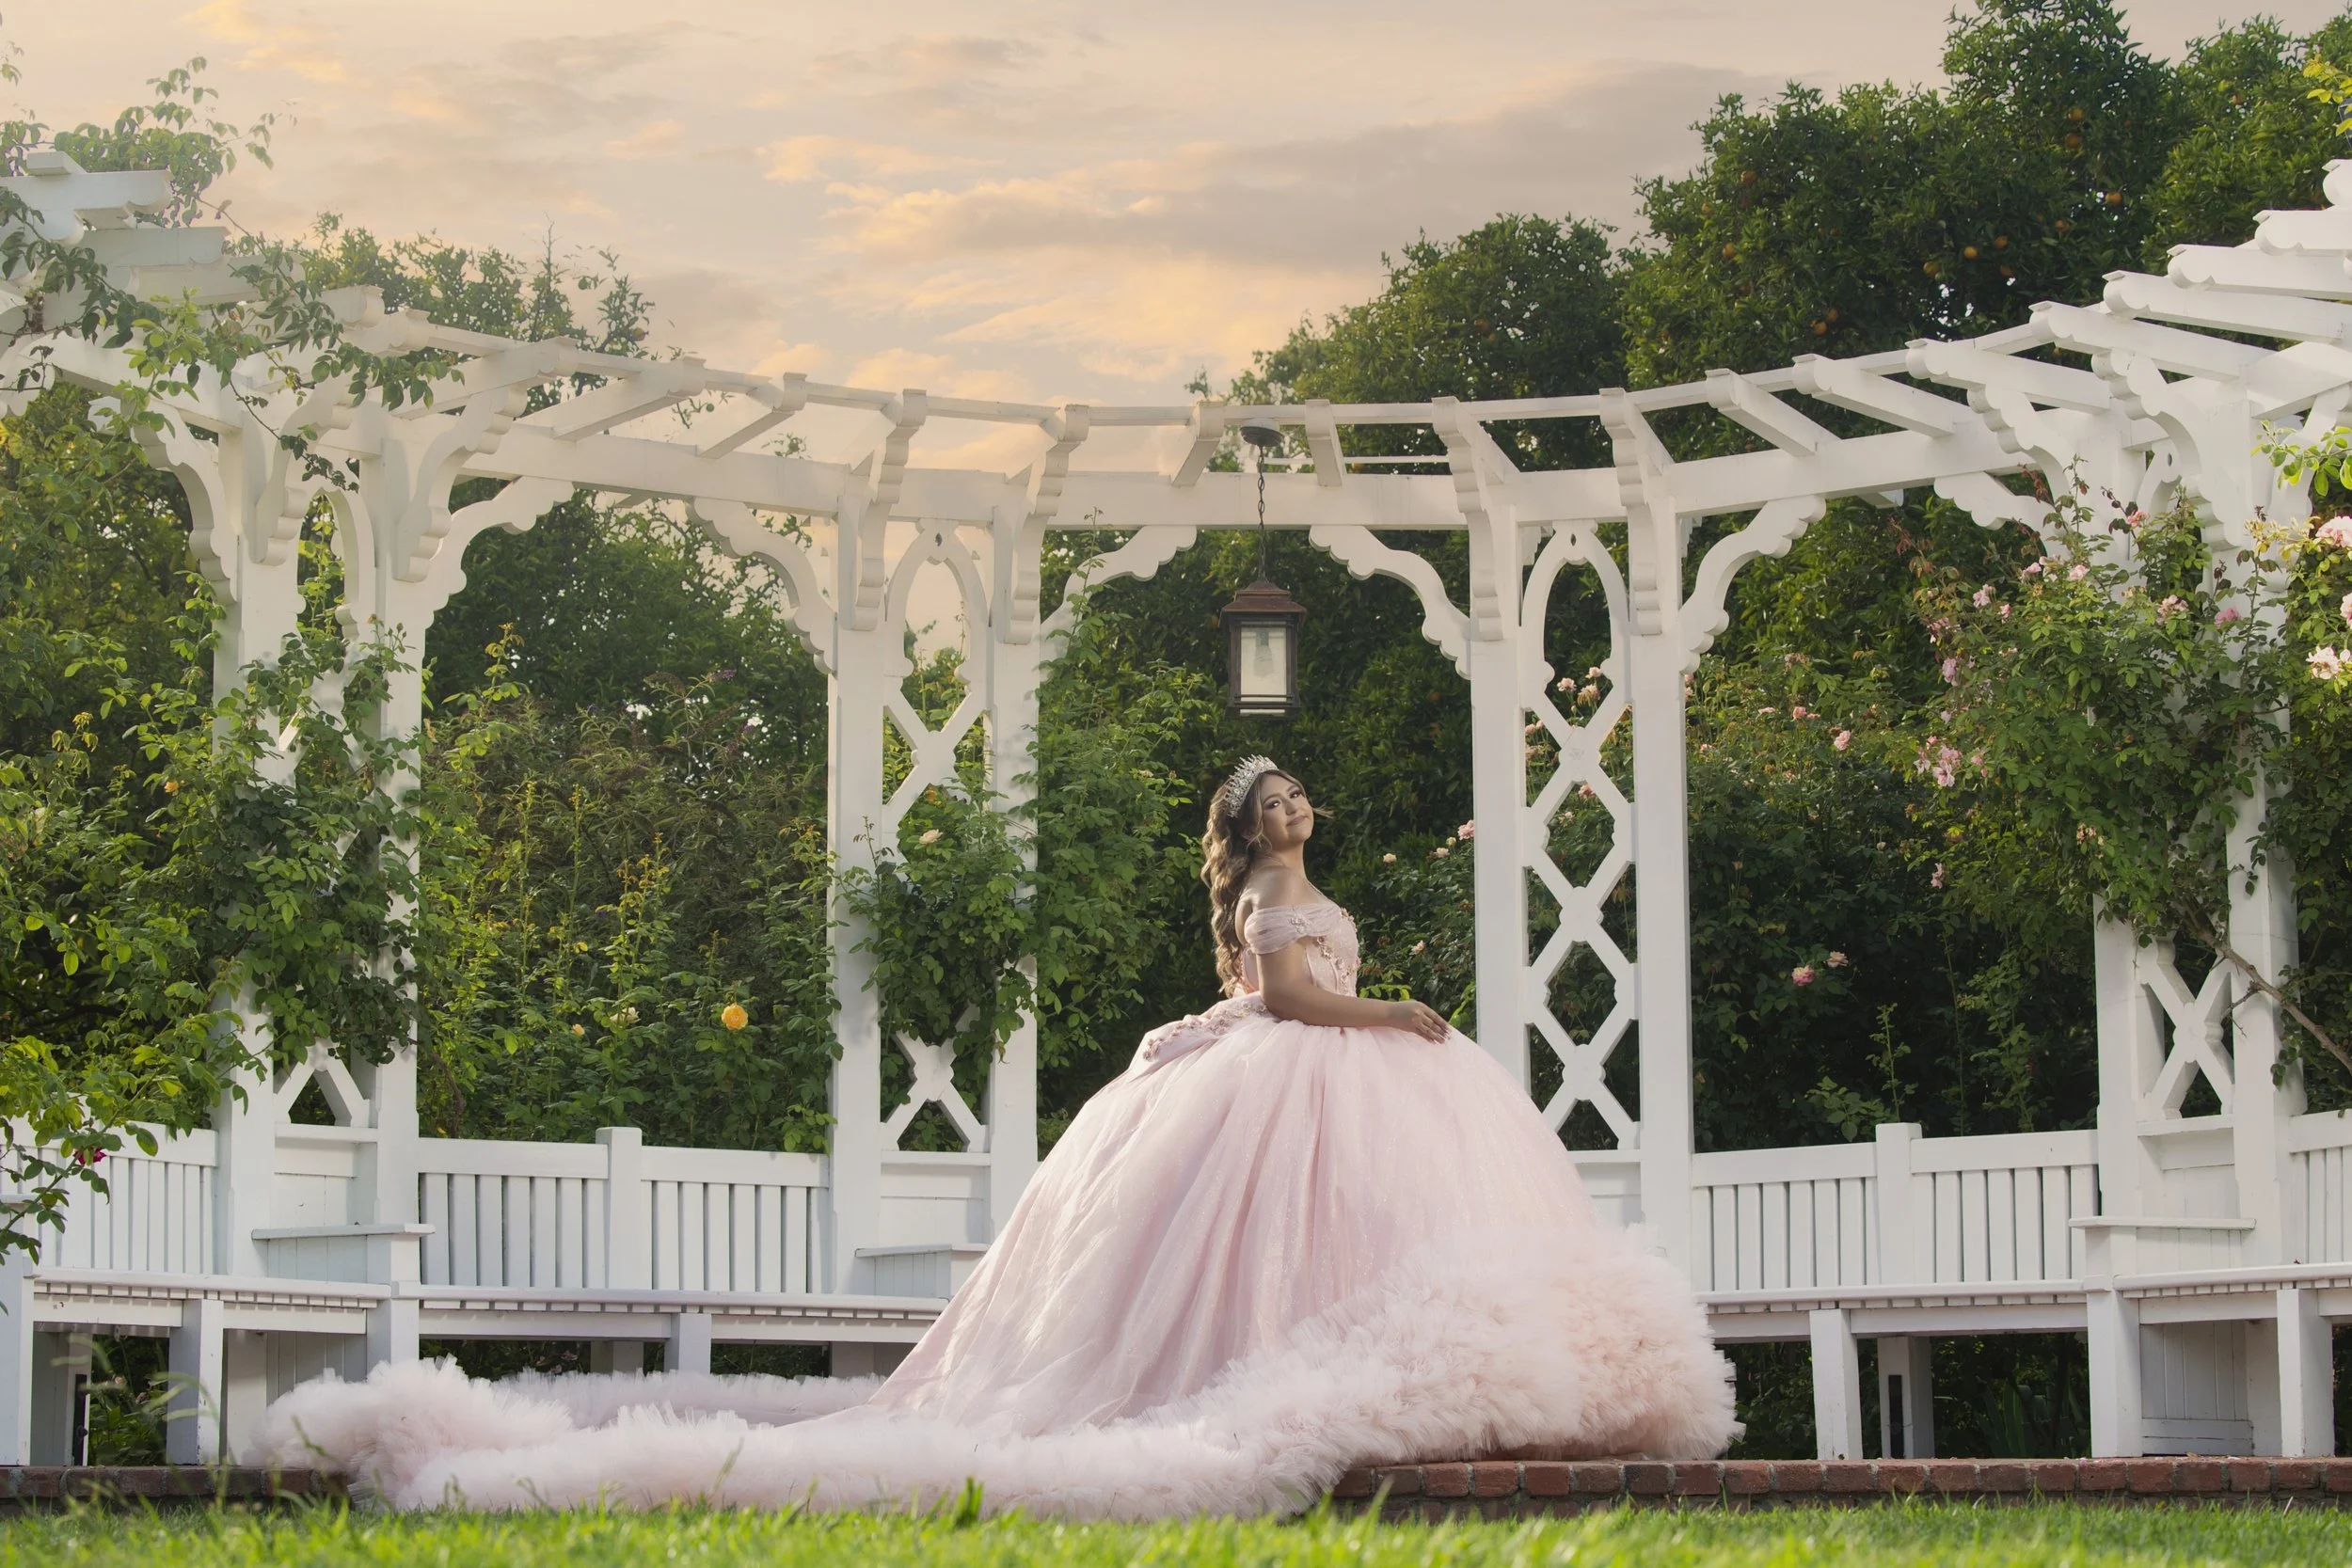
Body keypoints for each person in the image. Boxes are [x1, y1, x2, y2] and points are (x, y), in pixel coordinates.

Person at [262, 756, 1737, 1515]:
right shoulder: (1272, 909)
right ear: (1248, 833)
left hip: (1313, 1079)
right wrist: (1401, 1010)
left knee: (1345, 1226)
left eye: (1289, 794)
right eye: (1270, 801)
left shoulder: (1297, 880)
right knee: (1259, 1242)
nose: (1289, 806)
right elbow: (1291, 994)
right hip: (1303, 1064)